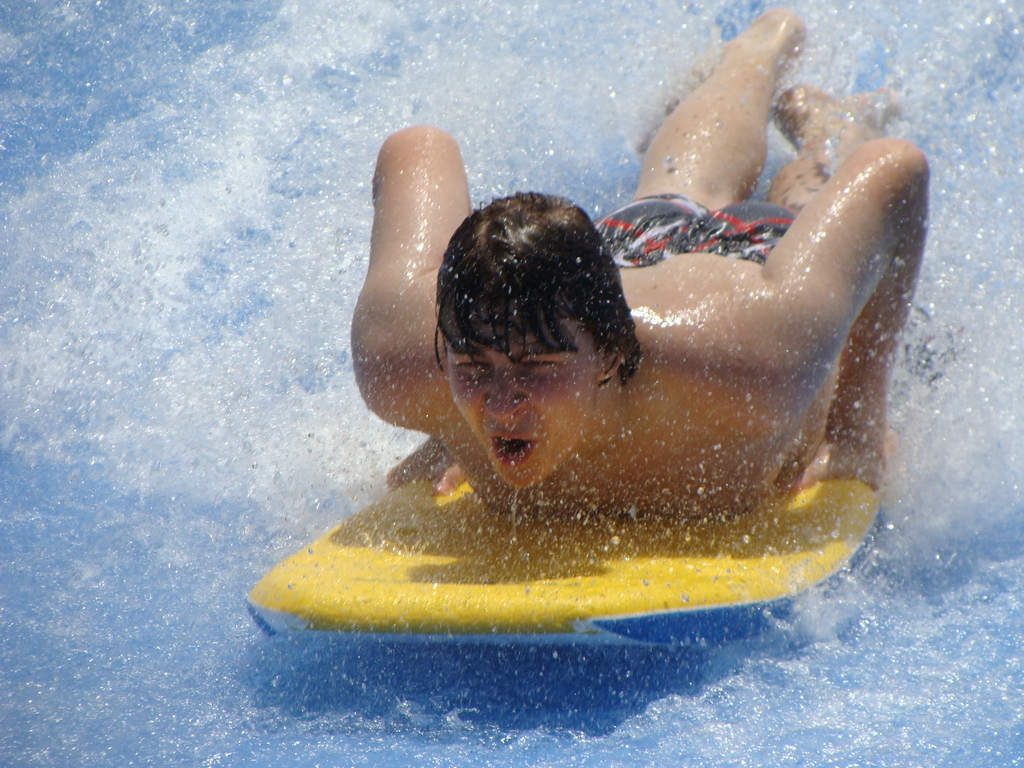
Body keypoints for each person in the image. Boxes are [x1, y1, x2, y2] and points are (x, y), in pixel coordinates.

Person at [351, 8, 928, 519]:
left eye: (534, 370)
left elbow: (894, 172)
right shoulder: (400, 362)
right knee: (676, 185)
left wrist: (856, 426)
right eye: (473, 367)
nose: (501, 404)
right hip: (620, 255)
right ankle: (746, 57)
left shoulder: (755, 364)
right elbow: (416, 147)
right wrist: (447, 422)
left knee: (804, 198)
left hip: (746, 267)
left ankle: (814, 111)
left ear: (611, 353)